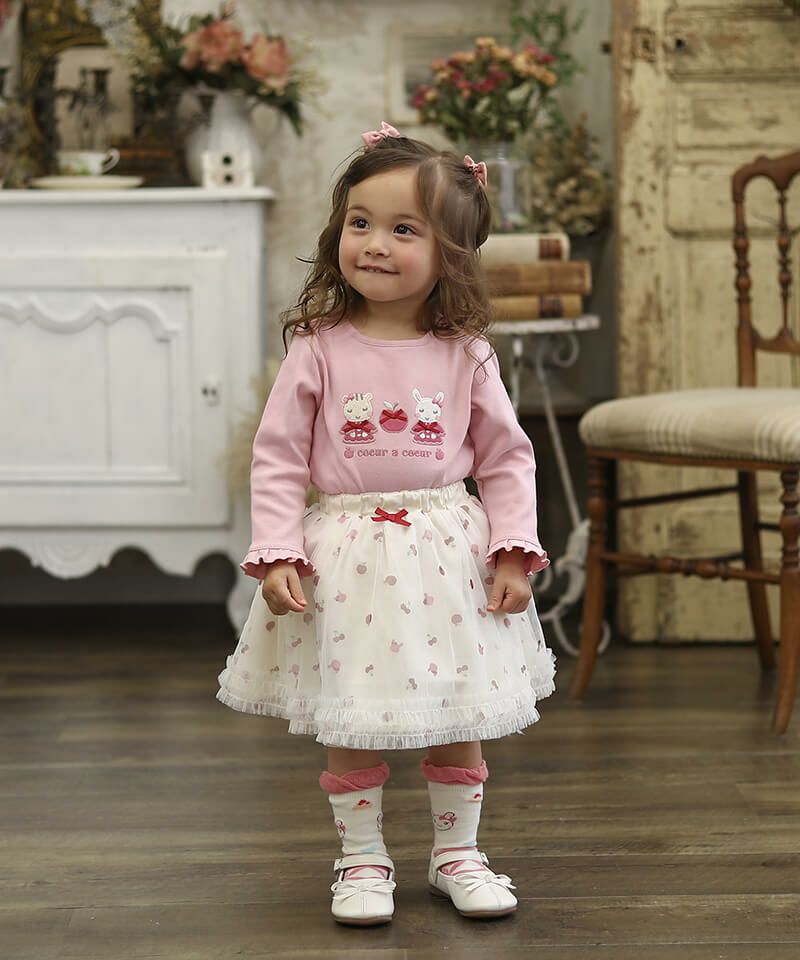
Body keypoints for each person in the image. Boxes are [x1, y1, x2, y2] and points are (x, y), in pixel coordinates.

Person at [216, 121, 556, 926]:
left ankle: (457, 852)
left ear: (451, 255)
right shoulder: (318, 348)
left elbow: (506, 458)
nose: (374, 243)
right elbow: (278, 457)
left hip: (448, 553)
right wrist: (277, 550)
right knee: (354, 710)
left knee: (458, 707)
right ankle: (362, 857)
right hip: (347, 555)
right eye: (360, 222)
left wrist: (512, 551)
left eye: (405, 230)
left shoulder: (465, 352)